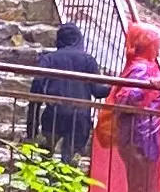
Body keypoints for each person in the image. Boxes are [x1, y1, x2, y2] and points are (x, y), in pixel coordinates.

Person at [88, 19, 160, 192]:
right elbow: (125, 99)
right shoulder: (141, 69)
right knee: (141, 191)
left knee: (143, 190)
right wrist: (148, 87)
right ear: (149, 45)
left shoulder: (141, 67)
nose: (159, 48)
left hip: (144, 136)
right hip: (140, 137)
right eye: (157, 43)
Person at [27, 20, 106, 161]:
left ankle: (46, 181)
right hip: (80, 117)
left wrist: (31, 129)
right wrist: (118, 88)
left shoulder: (49, 59)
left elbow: (36, 88)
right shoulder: (88, 60)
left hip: (54, 114)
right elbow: (98, 91)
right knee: (69, 161)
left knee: (44, 158)